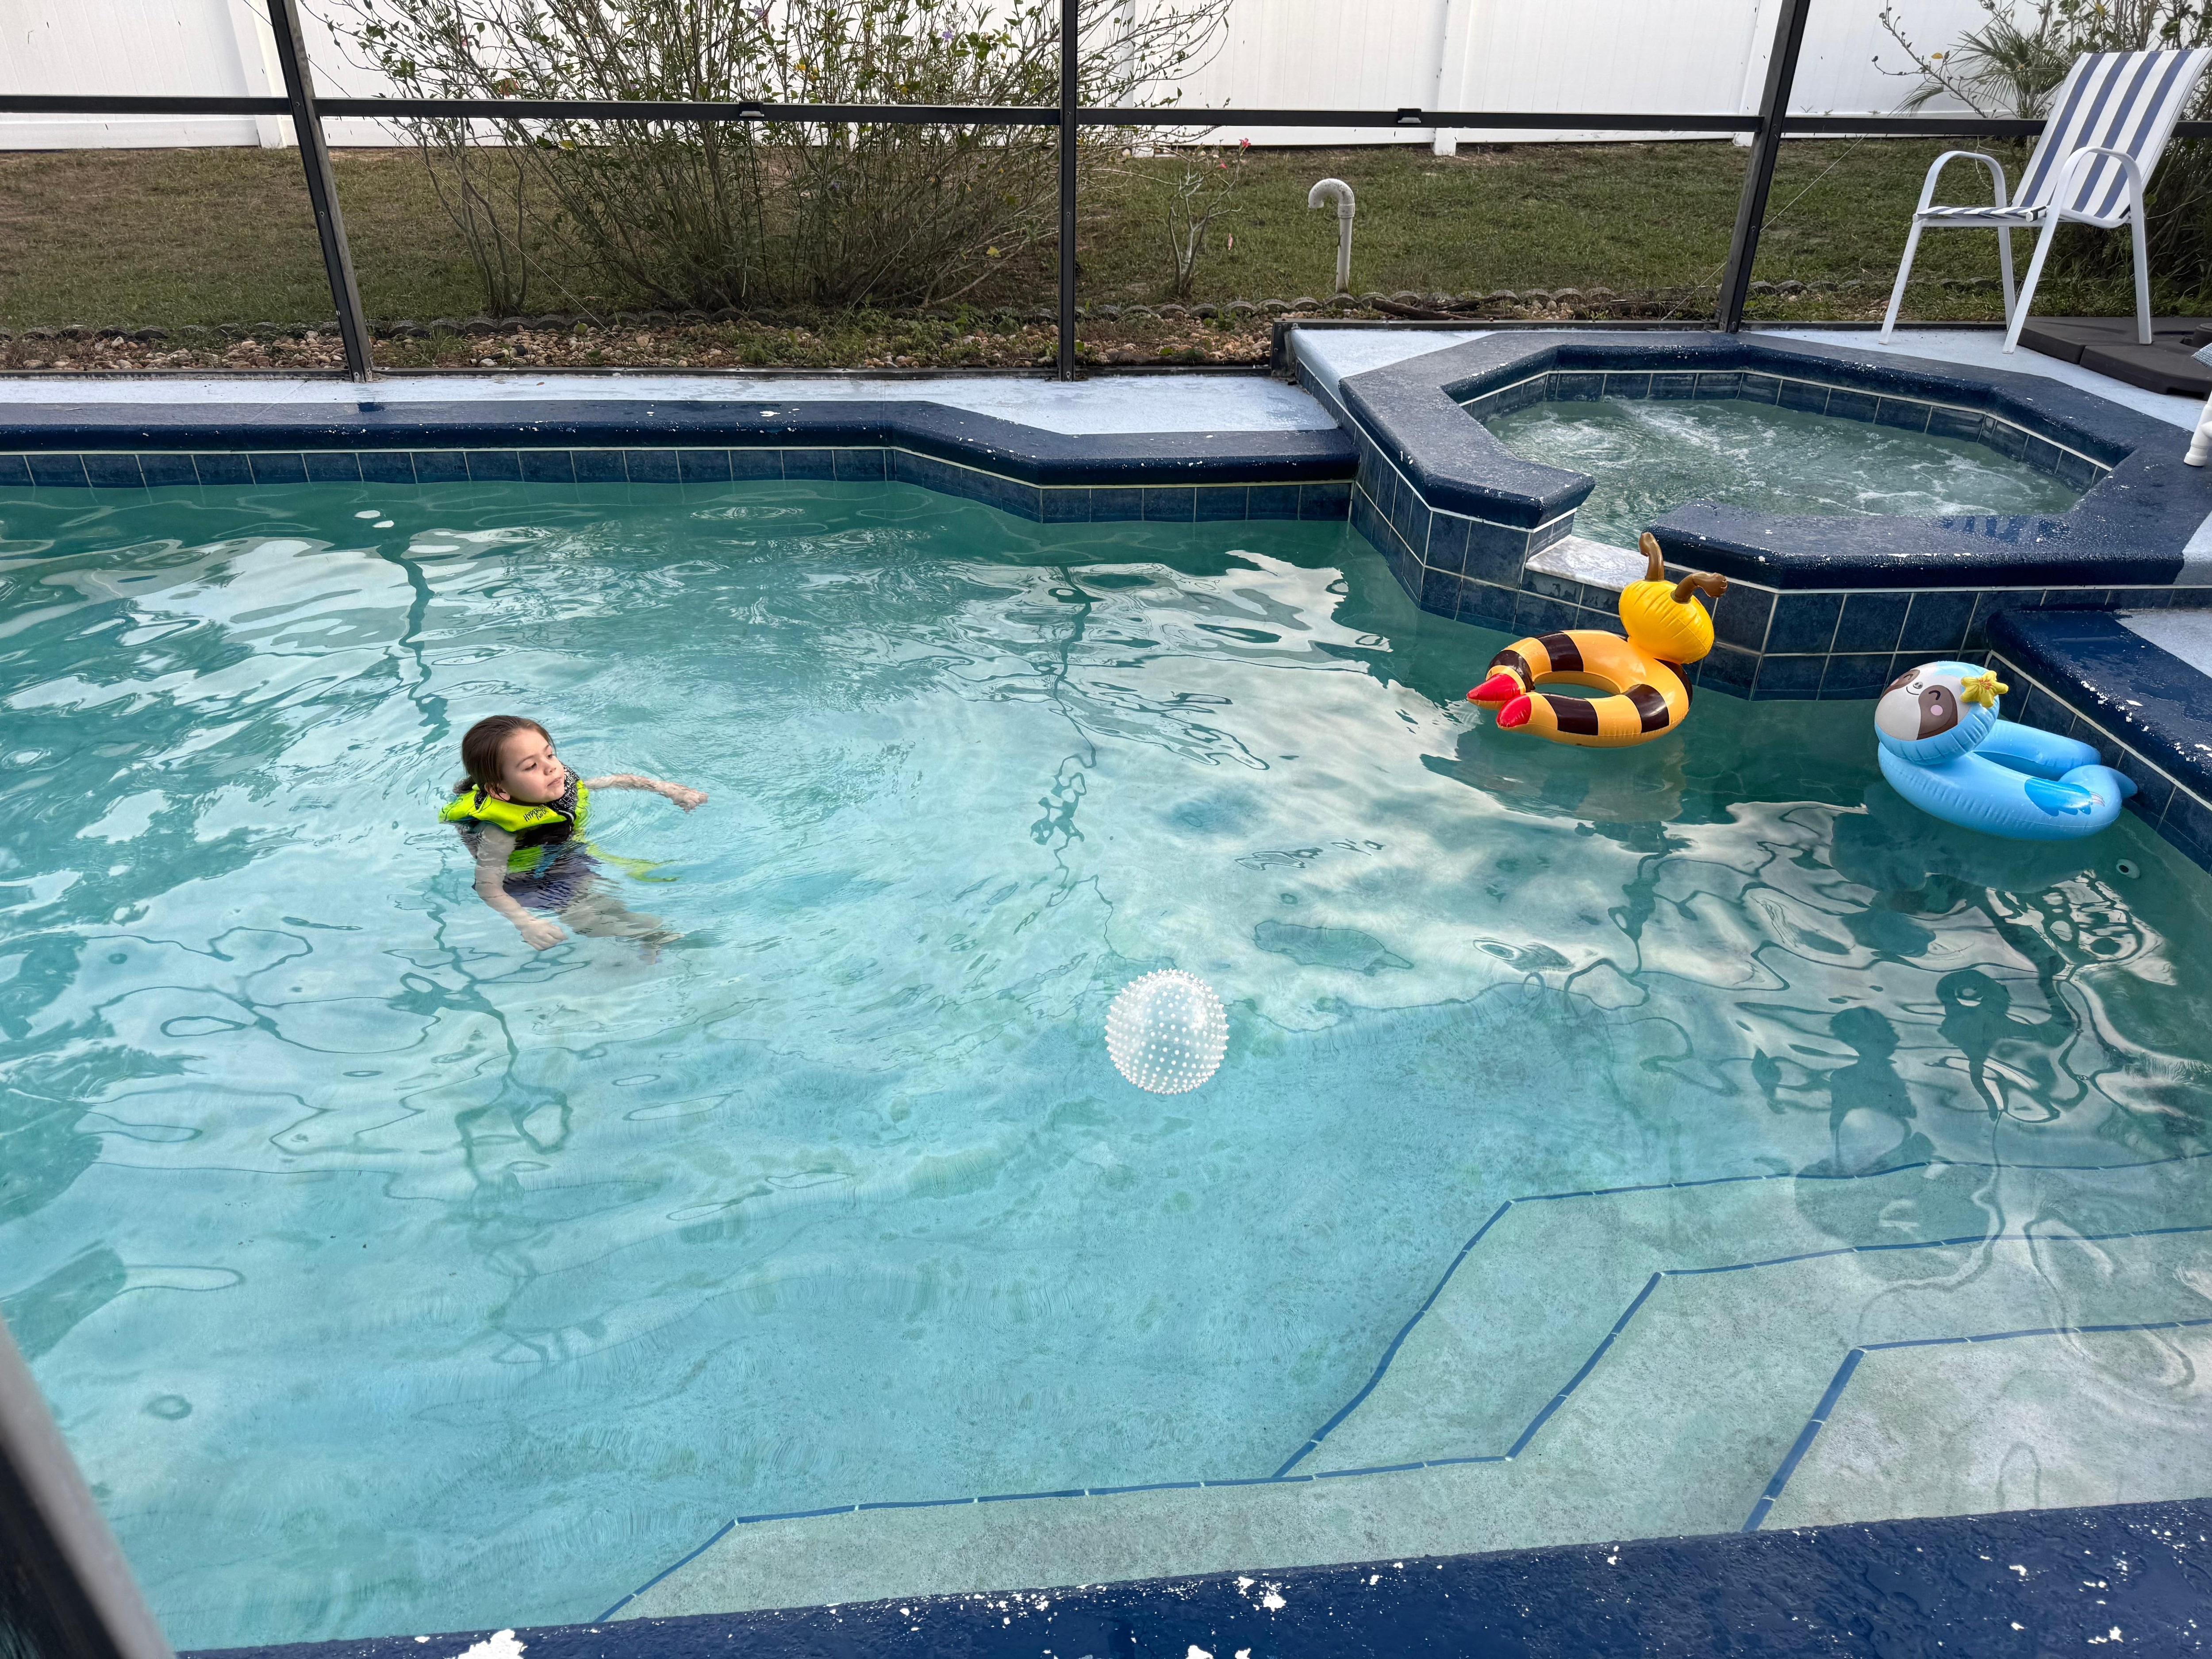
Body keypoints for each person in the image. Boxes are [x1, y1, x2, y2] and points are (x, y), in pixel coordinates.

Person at [439, 714, 707, 952]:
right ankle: (655, 938)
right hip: (533, 880)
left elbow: (617, 780)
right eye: (531, 767)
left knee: (600, 901)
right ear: (499, 791)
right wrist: (527, 924)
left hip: (562, 856)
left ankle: (652, 938)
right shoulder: (499, 833)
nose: (551, 767)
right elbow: (488, 888)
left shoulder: (556, 786)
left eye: (549, 755)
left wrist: (667, 788)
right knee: (583, 918)